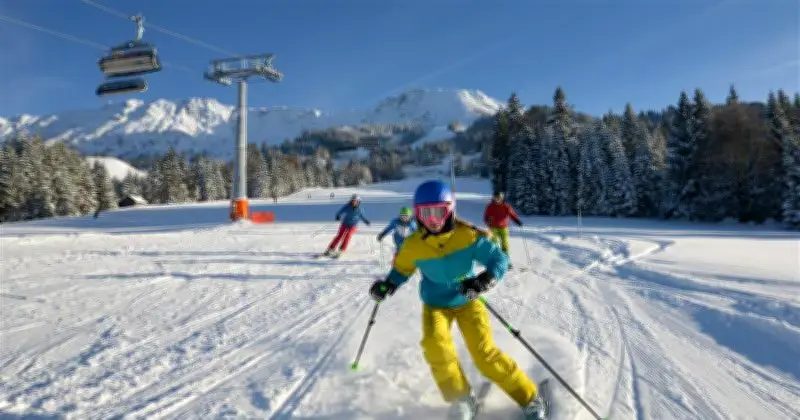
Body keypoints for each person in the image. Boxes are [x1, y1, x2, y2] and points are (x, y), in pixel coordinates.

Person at [368, 180, 546, 420]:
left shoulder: (468, 237)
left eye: (439, 212)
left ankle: (529, 398)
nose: (433, 220)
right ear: (417, 214)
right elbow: (401, 270)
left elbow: (499, 259)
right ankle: (462, 398)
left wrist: (484, 280)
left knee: (484, 354)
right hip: (435, 306)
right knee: (436, 347)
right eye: (426, 213)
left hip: (468, 302)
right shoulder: (413, 245)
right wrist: (387, 285)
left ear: (450, 210)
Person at [483, 191, 523, 269]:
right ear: (493, 198)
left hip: (504, 228)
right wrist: (487, 221)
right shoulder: (490, 206)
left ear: (502, 198)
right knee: (494, 244)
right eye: (496, 198)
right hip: (493, 228)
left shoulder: (506, 206)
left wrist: (517, 221)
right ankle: (495, 260)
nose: (497, 199)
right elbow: (485, 217)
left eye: (499, 198)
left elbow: (512, 215)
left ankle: (505, 261)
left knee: (505, 244)